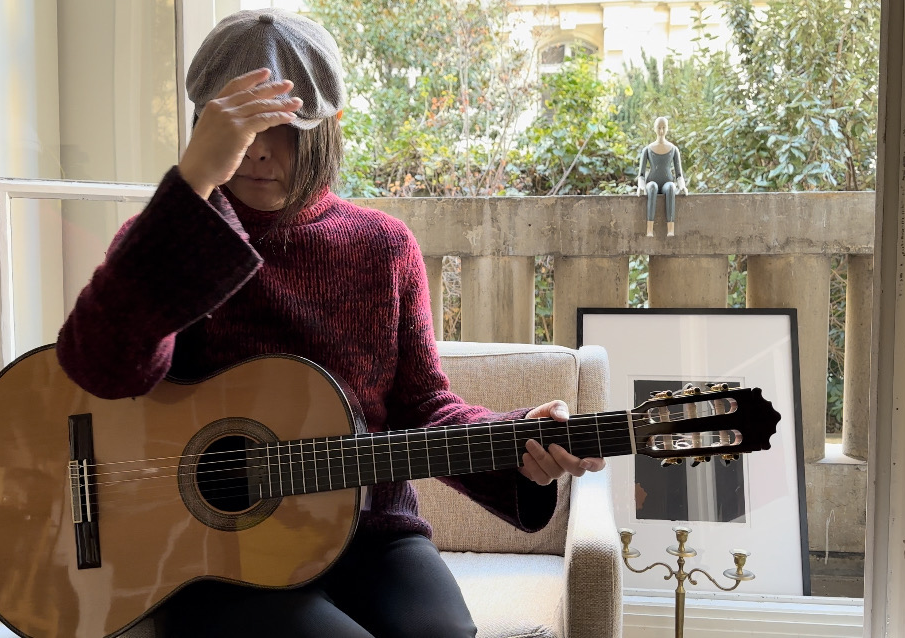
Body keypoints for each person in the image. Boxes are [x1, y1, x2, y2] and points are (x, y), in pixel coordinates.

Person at [56, 9, 605, 638]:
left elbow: (424, 406)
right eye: (238, 127)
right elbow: (98, 365)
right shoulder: (172, 237)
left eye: (286, 128)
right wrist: (193, 183)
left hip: (370, 535)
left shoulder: (382, 247)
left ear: (329, 128)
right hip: (211, 552)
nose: (260, 149)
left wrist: (518, 442)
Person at [637, 116, 688, 237]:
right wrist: (641, 186)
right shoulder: (648, 149)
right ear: (654, 129)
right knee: (653, 188)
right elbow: (641, 174)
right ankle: (649, 228)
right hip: (652, 182)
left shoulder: (673, 149)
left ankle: (670, 228)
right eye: (659, 128)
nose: (661, 131)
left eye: (663, 128)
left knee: (671, 187)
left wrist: (682, 186)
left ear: (667, 129)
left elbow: (679, 174)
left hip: (667, 182)